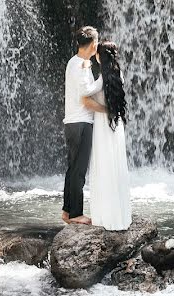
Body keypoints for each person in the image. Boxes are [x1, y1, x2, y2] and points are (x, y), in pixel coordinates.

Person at [61, 26, 107, 225]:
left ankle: (67, 210)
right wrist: (104, 78)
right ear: (95, 44)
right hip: (81, 123)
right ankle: (76, 214)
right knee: (79, 171)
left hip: (73, 122)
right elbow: (86, 97)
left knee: (72, 170)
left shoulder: (75, 62)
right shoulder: (81, 65)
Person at [88, 41, 131, 230]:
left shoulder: (100, 80)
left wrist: (82, 69)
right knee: (116, 166)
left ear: (99, 57)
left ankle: (105, 217)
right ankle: (120, 215)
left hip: (103, 126)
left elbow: (83, 94)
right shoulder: (118, 75)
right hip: (117, 124)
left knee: (104, 166)